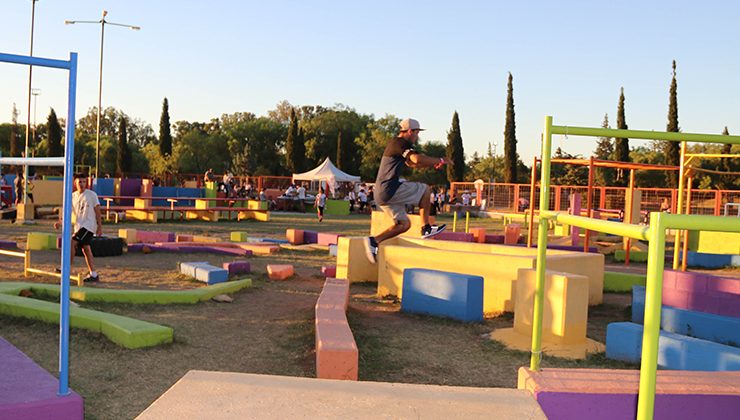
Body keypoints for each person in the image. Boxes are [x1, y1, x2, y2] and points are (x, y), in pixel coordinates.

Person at [363, 118, 451, 263]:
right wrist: (440, 159)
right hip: (389, 189)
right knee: (425, 190)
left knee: (404, 225)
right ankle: (426, 228)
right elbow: (416, 159)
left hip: (382, 194)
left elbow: (412, 164)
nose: (417, 137)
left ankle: (374, 241)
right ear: (410, 131)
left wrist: (433, 164)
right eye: (417, 133)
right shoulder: (399, 143)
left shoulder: (397, 147)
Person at [54, 173, 103, 283]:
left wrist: (100, 226)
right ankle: (94, 274)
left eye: (84, 181)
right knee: (86, 249)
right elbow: (68, 211)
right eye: (79, 182)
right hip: (79, 226)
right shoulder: (72, 196)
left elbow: (98, 211)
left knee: (72, 242)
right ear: (75, 183)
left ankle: (66, 268)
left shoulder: (92, 195)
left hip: (89, 226)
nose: (82, 184)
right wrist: (60, 222)